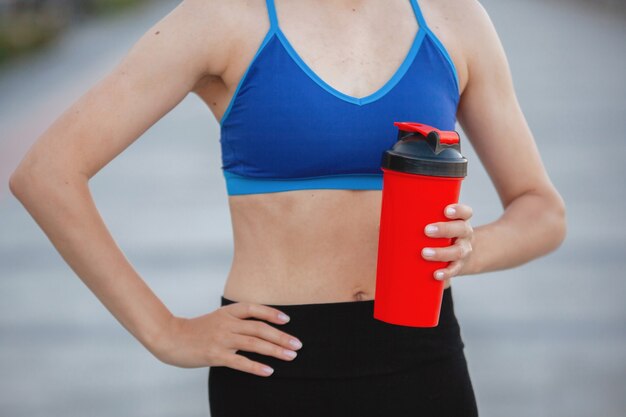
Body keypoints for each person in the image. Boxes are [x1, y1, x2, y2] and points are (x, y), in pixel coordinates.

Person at [9, 0, 567, 415]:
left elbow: (541, 209)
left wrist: (472, 249)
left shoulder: (453, 20)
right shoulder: (224, 18)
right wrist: (165, 331)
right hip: (276, 364)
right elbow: (47, 174)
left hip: (423, 357)